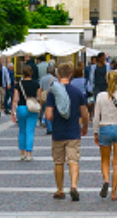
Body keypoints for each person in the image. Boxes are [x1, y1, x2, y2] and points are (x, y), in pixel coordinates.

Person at [43, 62, 87, 201]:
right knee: (73, 160)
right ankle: (73, 186)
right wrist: (84, 126)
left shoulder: (53, 92)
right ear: (70, 75)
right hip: (73, 132)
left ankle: (60, 189)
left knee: (59, 162)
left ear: (57, 75)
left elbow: (48, 115)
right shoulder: (77, 92)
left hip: (58, 132)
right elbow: (84, 114)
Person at [90, 72, 117, 200]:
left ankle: (106, 179)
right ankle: (114, 192)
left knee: (105, 160)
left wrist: (95, 132)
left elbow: (96, 117)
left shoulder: (100, 96)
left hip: (105, 128)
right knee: (116, 163)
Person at [13, 63, 42, 162]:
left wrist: (13, 112)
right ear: (31, 73)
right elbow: (39, 97)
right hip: (32, 108)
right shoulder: (36, 84)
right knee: (30, 131)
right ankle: (29, 154)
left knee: (22, 131)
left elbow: (15, 99)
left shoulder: (18, 84)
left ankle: (22, 153)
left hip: (21, 108)